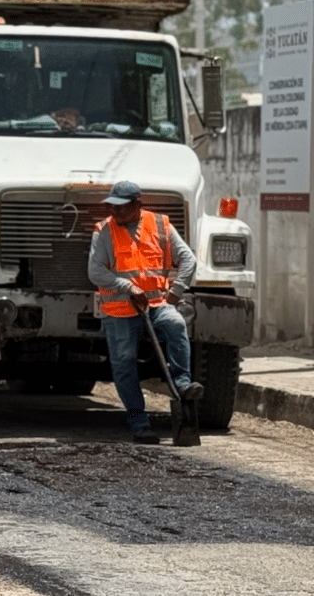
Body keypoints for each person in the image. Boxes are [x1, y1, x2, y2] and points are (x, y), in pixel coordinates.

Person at [88, 180, 203, 444]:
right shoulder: (104, 231)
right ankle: (140, 423)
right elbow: (95, 272)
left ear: (137, 205)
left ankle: (183, 384)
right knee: (124, 363)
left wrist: (176, 292)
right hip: (120, 309)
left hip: (156, 304)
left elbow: (188, 259)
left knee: (175, 325)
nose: (115, 213)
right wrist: (127, 287)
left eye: (121, 208)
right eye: (112, 207)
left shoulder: (160, 225)